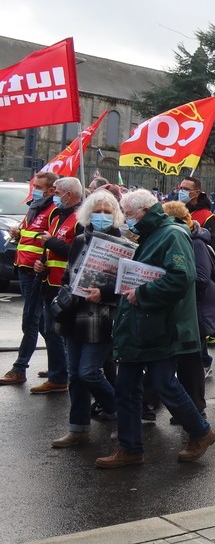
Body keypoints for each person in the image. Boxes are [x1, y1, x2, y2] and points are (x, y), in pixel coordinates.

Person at [97, 190, 215, 468]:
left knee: (164, 382)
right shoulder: (152, 234)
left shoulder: (171, 234)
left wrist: (144, 293)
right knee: (127, 387)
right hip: (142, 324)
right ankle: (130, 447)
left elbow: (181, 277)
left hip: (160, 324)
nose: (127, 220)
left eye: (129, 214)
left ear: (146, 210)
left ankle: (200, 431)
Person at [50, 190, 123, 448]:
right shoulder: (80, 240)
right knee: (75, 376)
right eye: (97, 211)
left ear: (115, 215)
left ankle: (122, 413)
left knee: (90, 373)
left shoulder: (123, 244)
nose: (101, 216)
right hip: (73, 317)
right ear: (87, 213)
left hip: (100, 318)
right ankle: (78, 428)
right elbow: (68, 275)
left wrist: (102, 293)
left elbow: (125, 285)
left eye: (106, 211)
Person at [0, 172, 60, 386]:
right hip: (24, 270)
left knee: (32, 322)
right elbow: (29, 234)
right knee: (44, 324)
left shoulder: (53, 210)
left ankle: (20, 368)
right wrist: (19, 233)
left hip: (37, 273)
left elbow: (54, 241)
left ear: (51, 190)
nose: (33, 190)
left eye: (38, 186)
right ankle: (59, 369)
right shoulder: (36, 207)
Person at [163, 201, 215, 415]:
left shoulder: (195, 242)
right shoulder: (178, 239)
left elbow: (202, 278)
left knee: (189, 363)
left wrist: (170, 287)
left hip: (194, 313)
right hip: (183, 312)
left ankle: (195, 411)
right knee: (178, 362)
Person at [31, 176, 85, 394]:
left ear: (68, 194)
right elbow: (51, 249)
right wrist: (41, 263)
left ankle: (59, 376)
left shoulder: (80, 219)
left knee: (56, 332)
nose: (54, 196)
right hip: (49, 281)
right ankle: (59, 371)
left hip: (66, 285)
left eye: (56, 192)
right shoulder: (57, 216)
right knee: (51, 330)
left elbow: (78, 251)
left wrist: (50, 242)